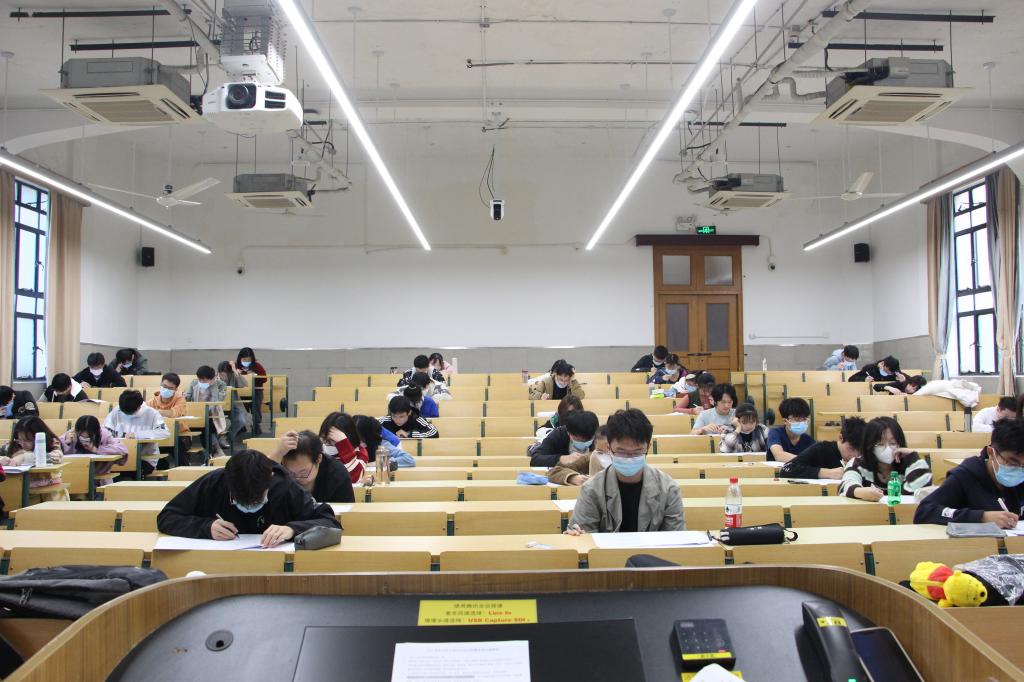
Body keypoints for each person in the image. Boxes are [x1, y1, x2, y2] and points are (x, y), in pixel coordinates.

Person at [156, 450, 340, 544]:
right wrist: (205, 527)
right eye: (238, 501)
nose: (250, 507)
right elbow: (167, 517)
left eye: (258, 500)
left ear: (270, 480)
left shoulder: (285, 487)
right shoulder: (214, 483)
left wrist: (292, 529)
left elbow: (331, 523)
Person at [566, 409, 684, 533]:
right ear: (609, 448)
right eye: (621, 452)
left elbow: (675, 538)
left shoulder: (668, 489)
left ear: (648, 448)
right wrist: (577, 535)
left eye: (637, 452)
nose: (629, 458)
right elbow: (584, 536)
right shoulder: (592, 489)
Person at [914, 418, 1024, 528]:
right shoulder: (964, 476)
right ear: (991, 452)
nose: (1019, 469)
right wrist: (981, 517)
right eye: (1012, 462)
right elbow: (924, 512)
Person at [840, 416, 932, 501]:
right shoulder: (858, 464)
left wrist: (913, 456)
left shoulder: (908, 463)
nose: (888, 448)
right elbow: (845, 486)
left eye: (893, 443)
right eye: (880, 444)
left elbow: (923, 490)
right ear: (869, 445)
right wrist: (860, 492)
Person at [270, 430, 355, 503]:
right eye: (291, 473)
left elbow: (347, 511)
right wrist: (277, 454)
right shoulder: (280, 470)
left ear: (318, 459)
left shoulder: (337, 474)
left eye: (303, 472)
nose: (297, 478)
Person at [104, 390, 170, 475]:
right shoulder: (117, 411)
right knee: (106, 470)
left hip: (144, 458)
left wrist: (138, 435)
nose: (127, 415)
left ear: (139, 406)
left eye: (131, 413)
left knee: (129, 472)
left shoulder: (152, 413)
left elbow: (165, 433)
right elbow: (105, 432)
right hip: (119, 457)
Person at [779, 417, 866, 480]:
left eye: (860, 451)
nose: (855, 455)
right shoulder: (821, 449)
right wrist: (826, 473)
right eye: (851, 448)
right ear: (841, 438)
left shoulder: (865, 456)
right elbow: (786, 469)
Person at [0, 417, 65, 499]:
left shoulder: (52, 443)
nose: (23, 444)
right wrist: (1, 460)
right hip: (16, 492)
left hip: (46, 493)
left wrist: (23, 457)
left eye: (28, 440)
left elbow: (57, 457)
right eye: (19, 439)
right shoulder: (14, 445)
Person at [60, 415, 128, 486]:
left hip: (100, 479)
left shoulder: (104, 434)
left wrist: (97, 450)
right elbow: (55, 450)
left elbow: (123, 449)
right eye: (81, 436)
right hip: (74, 477)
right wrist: (66, 442)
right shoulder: (72, 433)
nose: (84, 439)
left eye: (88, 436)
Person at [529, 410, 600, 468]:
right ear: (568, 432)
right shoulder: (559, 434)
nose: (584, 443)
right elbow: (535, 459)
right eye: (579, 440)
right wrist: (561, 459)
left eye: (588, 440)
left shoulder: (599, 436)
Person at [184, 365, 231, 453]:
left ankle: (213, 451)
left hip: (213, 415)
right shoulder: (194, 383)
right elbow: (187, 398)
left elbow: (218, 401)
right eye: (200, 379)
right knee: (205, 426)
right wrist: (184, 396)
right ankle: (215, 450)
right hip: (196, 415)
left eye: (204, 380)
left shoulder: (220, 384)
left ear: (212, 378)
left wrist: (213, 386)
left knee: (207, 425)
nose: (201, 382)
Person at [547, 425, 611, 486]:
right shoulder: (590, 458)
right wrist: (573, 478)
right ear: (595, 446)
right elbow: (555, 472)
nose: (605, 456)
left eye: (610, 451)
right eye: (600, 452)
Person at [317, 412, 370, 483]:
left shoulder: (360, 452)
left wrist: (343, 445)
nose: (327, 443)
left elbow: (354, 478)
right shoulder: (319, 448)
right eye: (324, 438)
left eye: (332, 440)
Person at [765, 397, 814, 463]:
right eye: (797, 419)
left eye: (804, 419)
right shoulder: (775, 433)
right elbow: (779, 456)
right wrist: (807, 460)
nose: (801, 422)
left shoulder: (808, 440)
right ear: (785, 421)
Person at [236, 347, 268, 436]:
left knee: (256, 405)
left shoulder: (257, 366)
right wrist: (236, 372)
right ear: (240, 359)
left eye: (248, 360)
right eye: (244, 359)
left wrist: (255, 375)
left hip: (256, 391)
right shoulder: (236, 366)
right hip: (241, 392)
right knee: (240, 406)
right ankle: (241, 425)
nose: (246, 361)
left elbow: (264, 379)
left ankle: (256, 425)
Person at [218, 361, 252, 444]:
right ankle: (217, 440)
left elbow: (244, 384)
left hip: (233, 406)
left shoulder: (233, 376)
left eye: (227, 374)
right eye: (221, 374)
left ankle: (226, 437)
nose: (223, 377)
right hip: (218, 407)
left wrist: (235, 370)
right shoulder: (214, 378)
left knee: (241, 420)